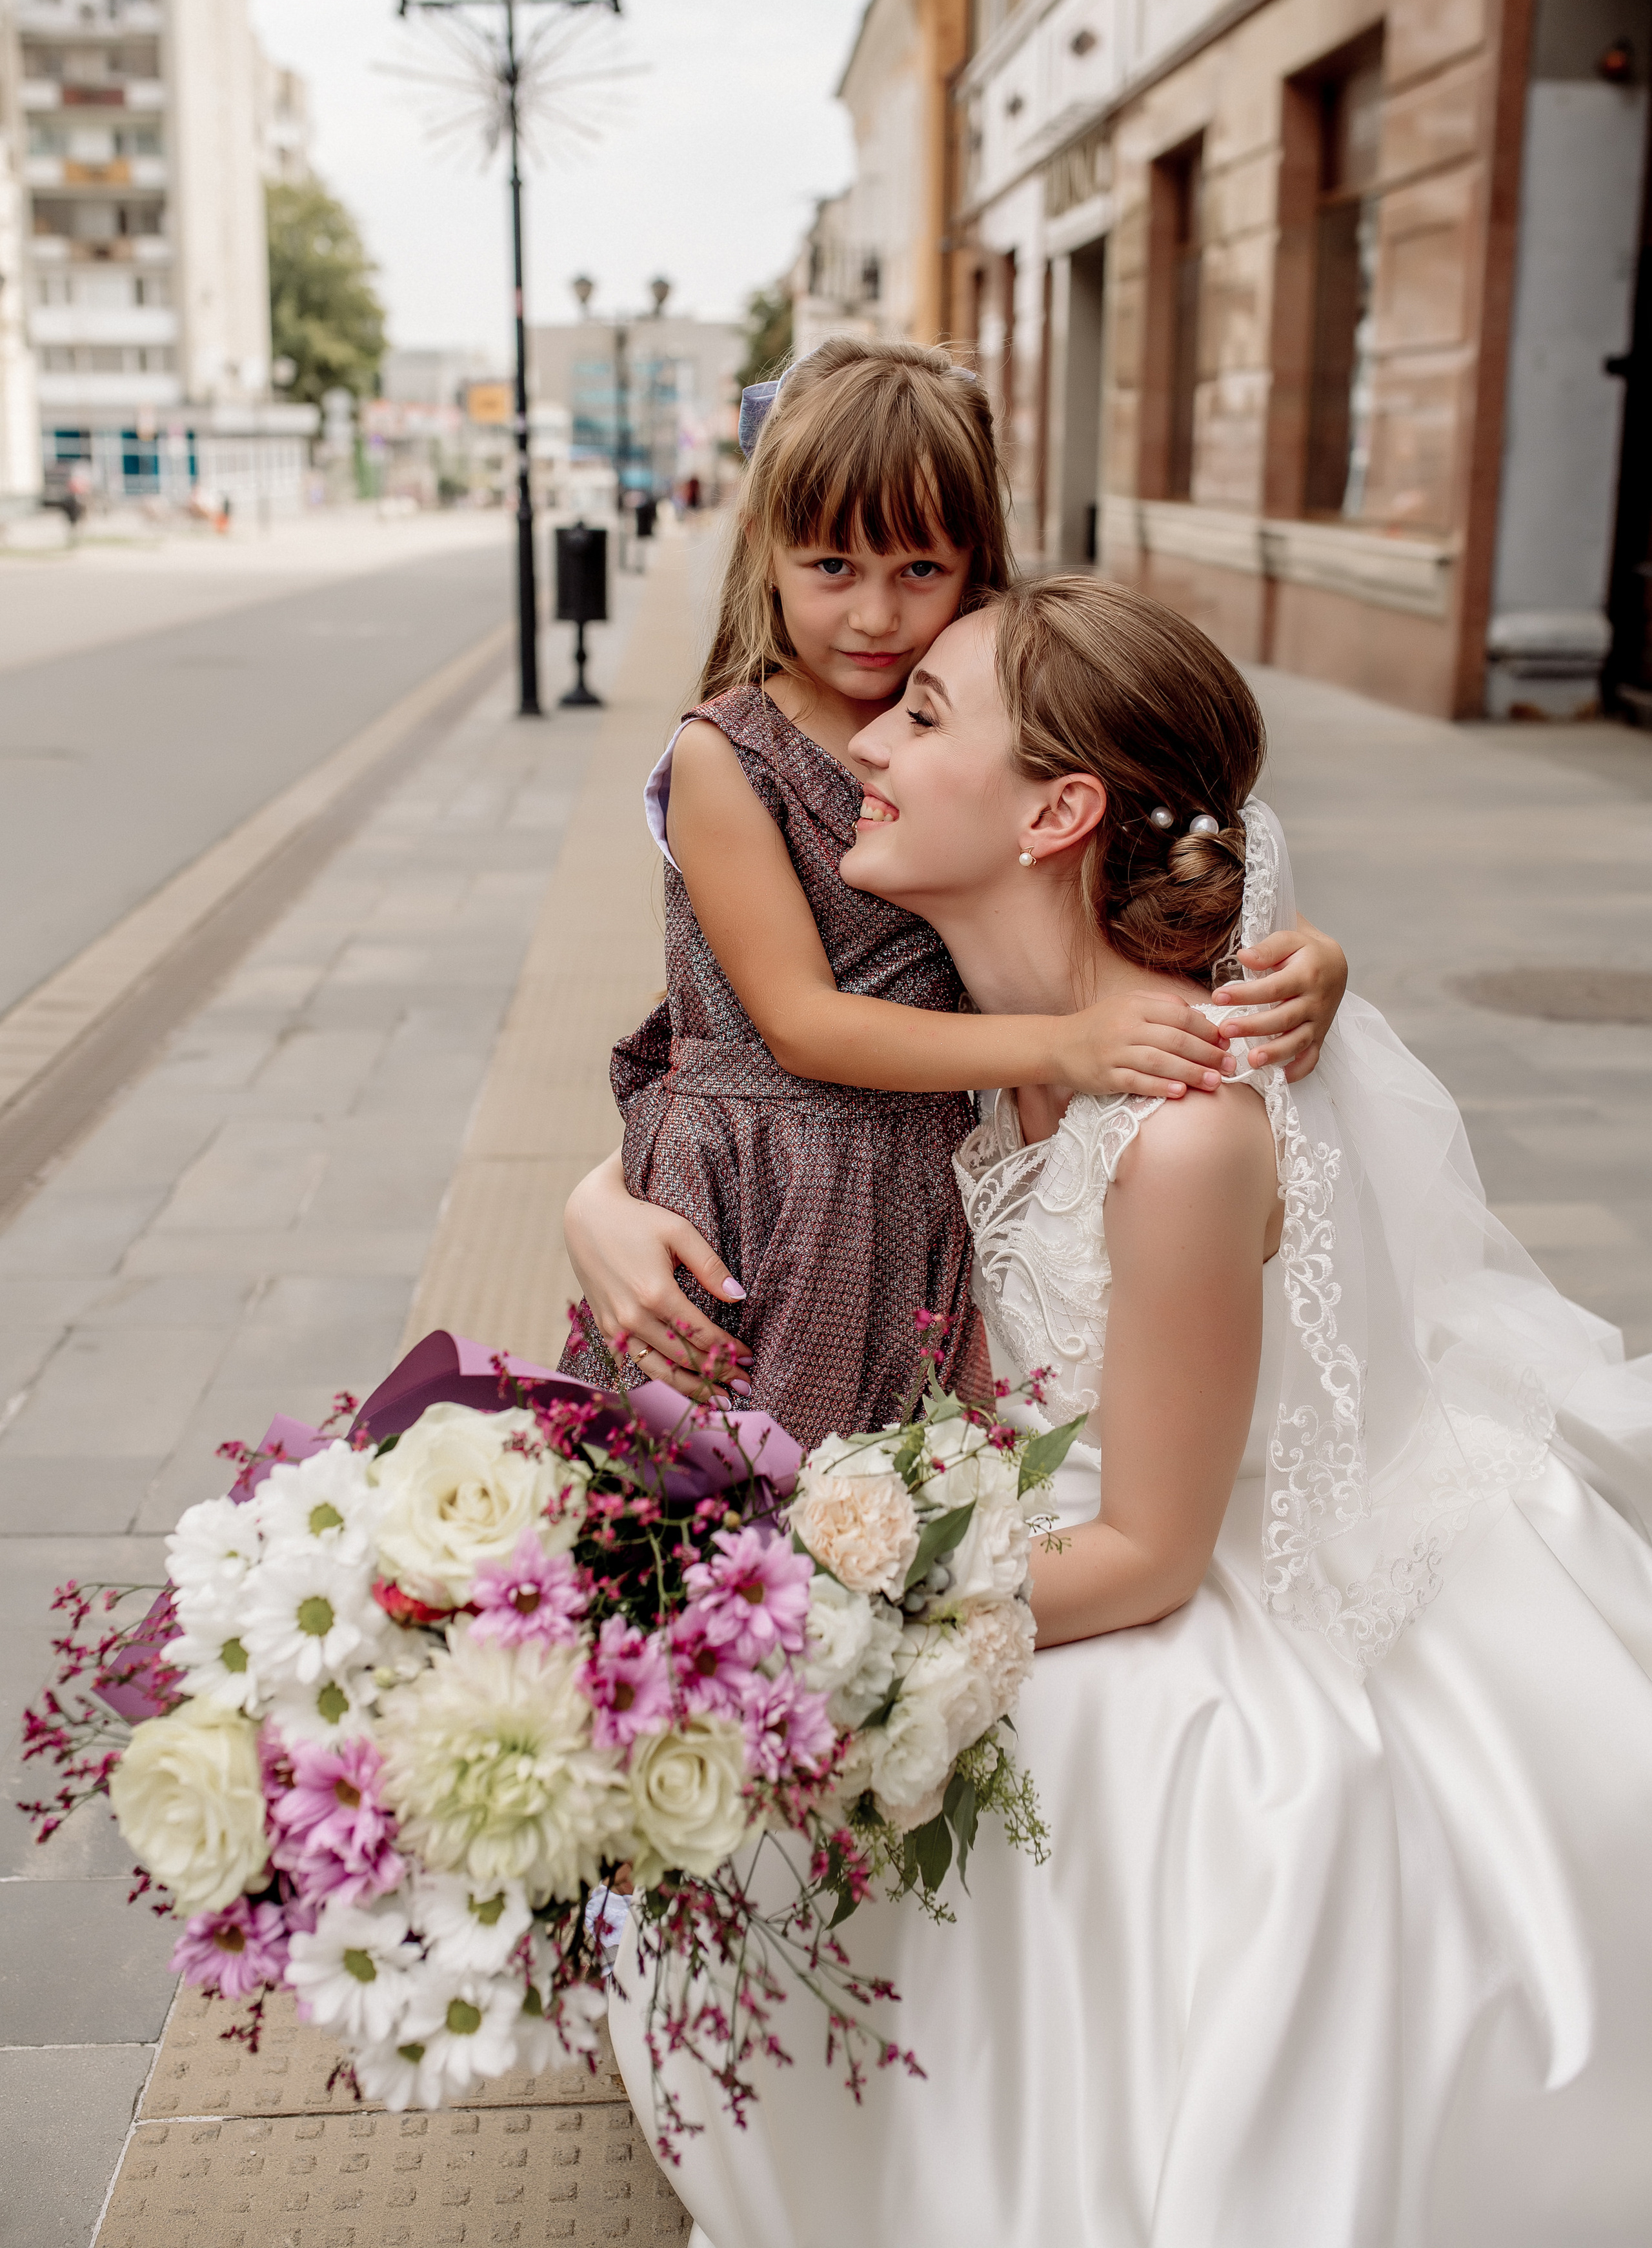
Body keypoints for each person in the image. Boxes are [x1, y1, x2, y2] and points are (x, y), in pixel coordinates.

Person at [608, 577, 1652, 2248]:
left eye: (925, 716)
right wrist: (600, 1203)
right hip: (1016, 1510)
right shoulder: (957, 1031)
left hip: (1164, 1558)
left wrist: (837, 1622)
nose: (865, 739)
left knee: (1107, 1779)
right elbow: (739, 1084)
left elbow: (1155, 1556)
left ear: (1061, 810)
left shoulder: (1181, 1136)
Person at [561, 340, 1348, 1447]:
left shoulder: (1008, 698)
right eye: (833, 567)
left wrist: (1306, 955)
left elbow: (1155, 831)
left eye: (917, 571)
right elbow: (794, 1026)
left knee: (904, 1471)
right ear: (765, 548)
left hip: (923, 1174)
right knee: (728, 1487)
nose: (876, 618)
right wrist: (1062, 1046)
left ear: (976, 560)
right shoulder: (727, 758)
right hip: (775, 1191)